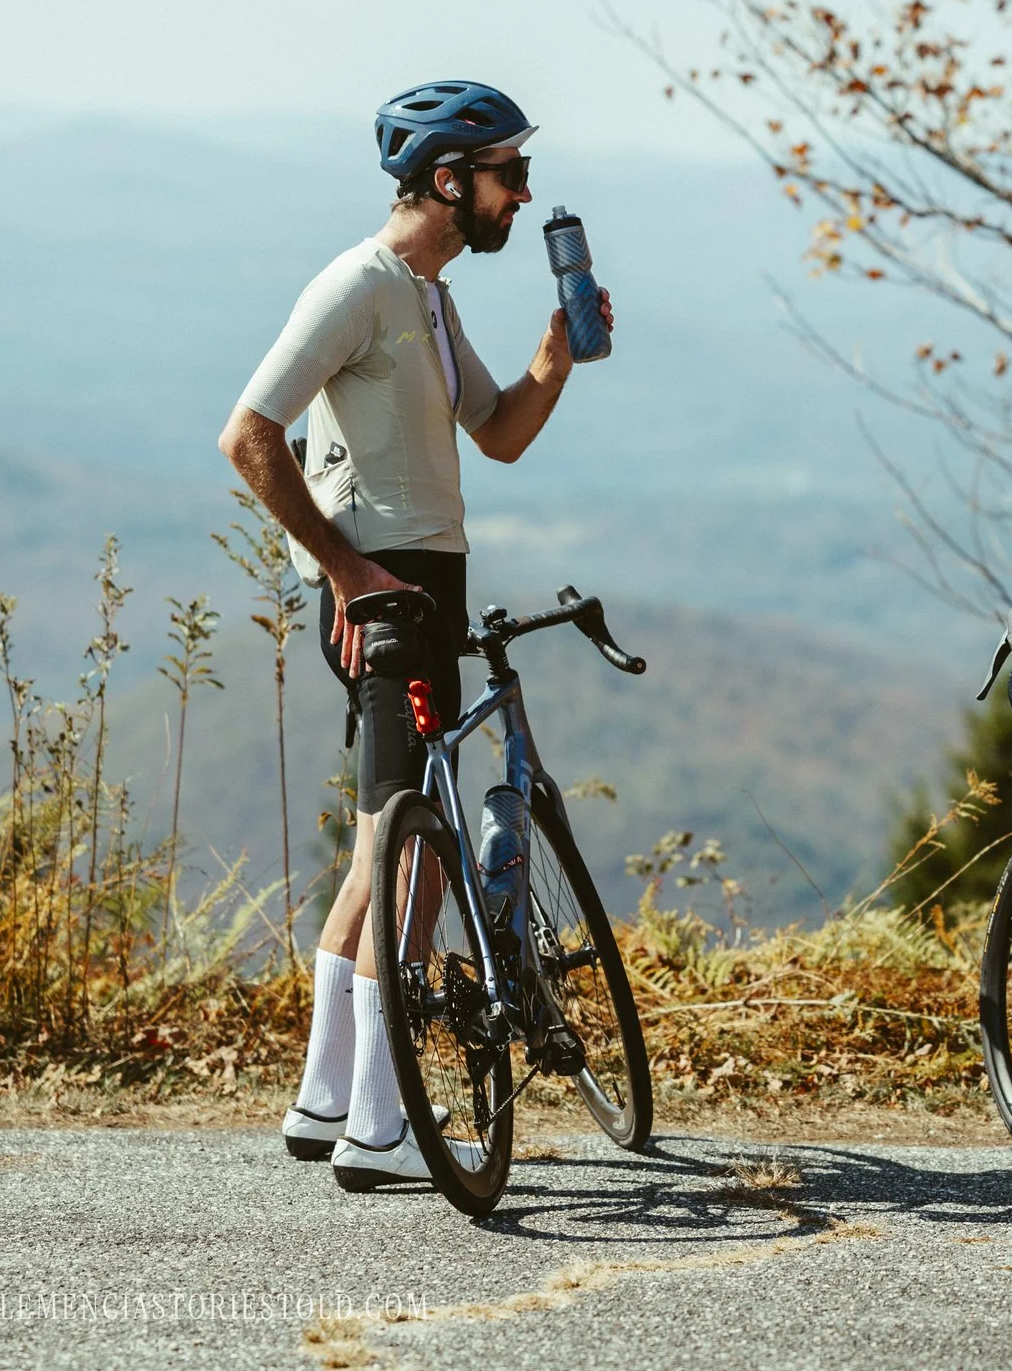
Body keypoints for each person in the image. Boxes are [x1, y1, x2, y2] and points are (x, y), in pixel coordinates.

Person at [216, 80, 611, 1191]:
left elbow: (498, 435)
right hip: (388, 599)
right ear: (448, 179)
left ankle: (324, 1096)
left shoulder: (426, 298)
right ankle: (381, 1121)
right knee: (415, 849)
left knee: (381, 841)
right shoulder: (358, 285)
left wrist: (556, 358)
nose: (521, 197)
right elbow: (247, 433)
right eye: (506, 176)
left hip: (424, 585)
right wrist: (346, 572)